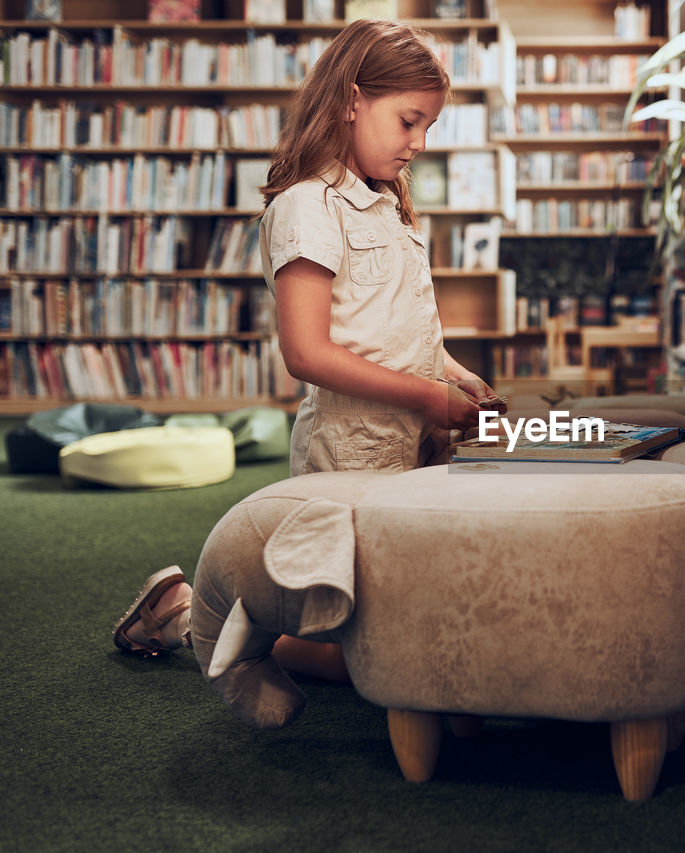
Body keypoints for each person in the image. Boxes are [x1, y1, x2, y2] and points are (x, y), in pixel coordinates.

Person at [112, 19, 507, 680]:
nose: (419, 143)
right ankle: (183, 614)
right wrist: (426, 396)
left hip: (407, 451)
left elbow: (404, 334)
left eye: (429, 128)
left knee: (409, 613)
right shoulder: (306, 207)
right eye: (409, 121)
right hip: (346, 459)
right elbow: (308, 352)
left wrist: (461, 379)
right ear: (352, 100)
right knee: (370, 650)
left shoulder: (391, 210)